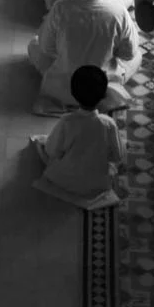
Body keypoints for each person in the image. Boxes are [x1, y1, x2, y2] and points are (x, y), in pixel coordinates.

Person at [27, 0, 141, 115]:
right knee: (138, 55)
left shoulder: (61, 9)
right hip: (102, 87)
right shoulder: (118, 12)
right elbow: (128, 53)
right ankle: (107, 94)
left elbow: (47, 48)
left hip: (64, 88)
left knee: (34, 45)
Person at [31, 65, 125, 209]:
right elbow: (117, 156)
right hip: (97, 185)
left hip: (63, 179)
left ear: (73, 94)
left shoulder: (67, 121)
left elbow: (52, 151)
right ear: (104, 95)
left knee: (41, 143)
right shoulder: (109, 124)